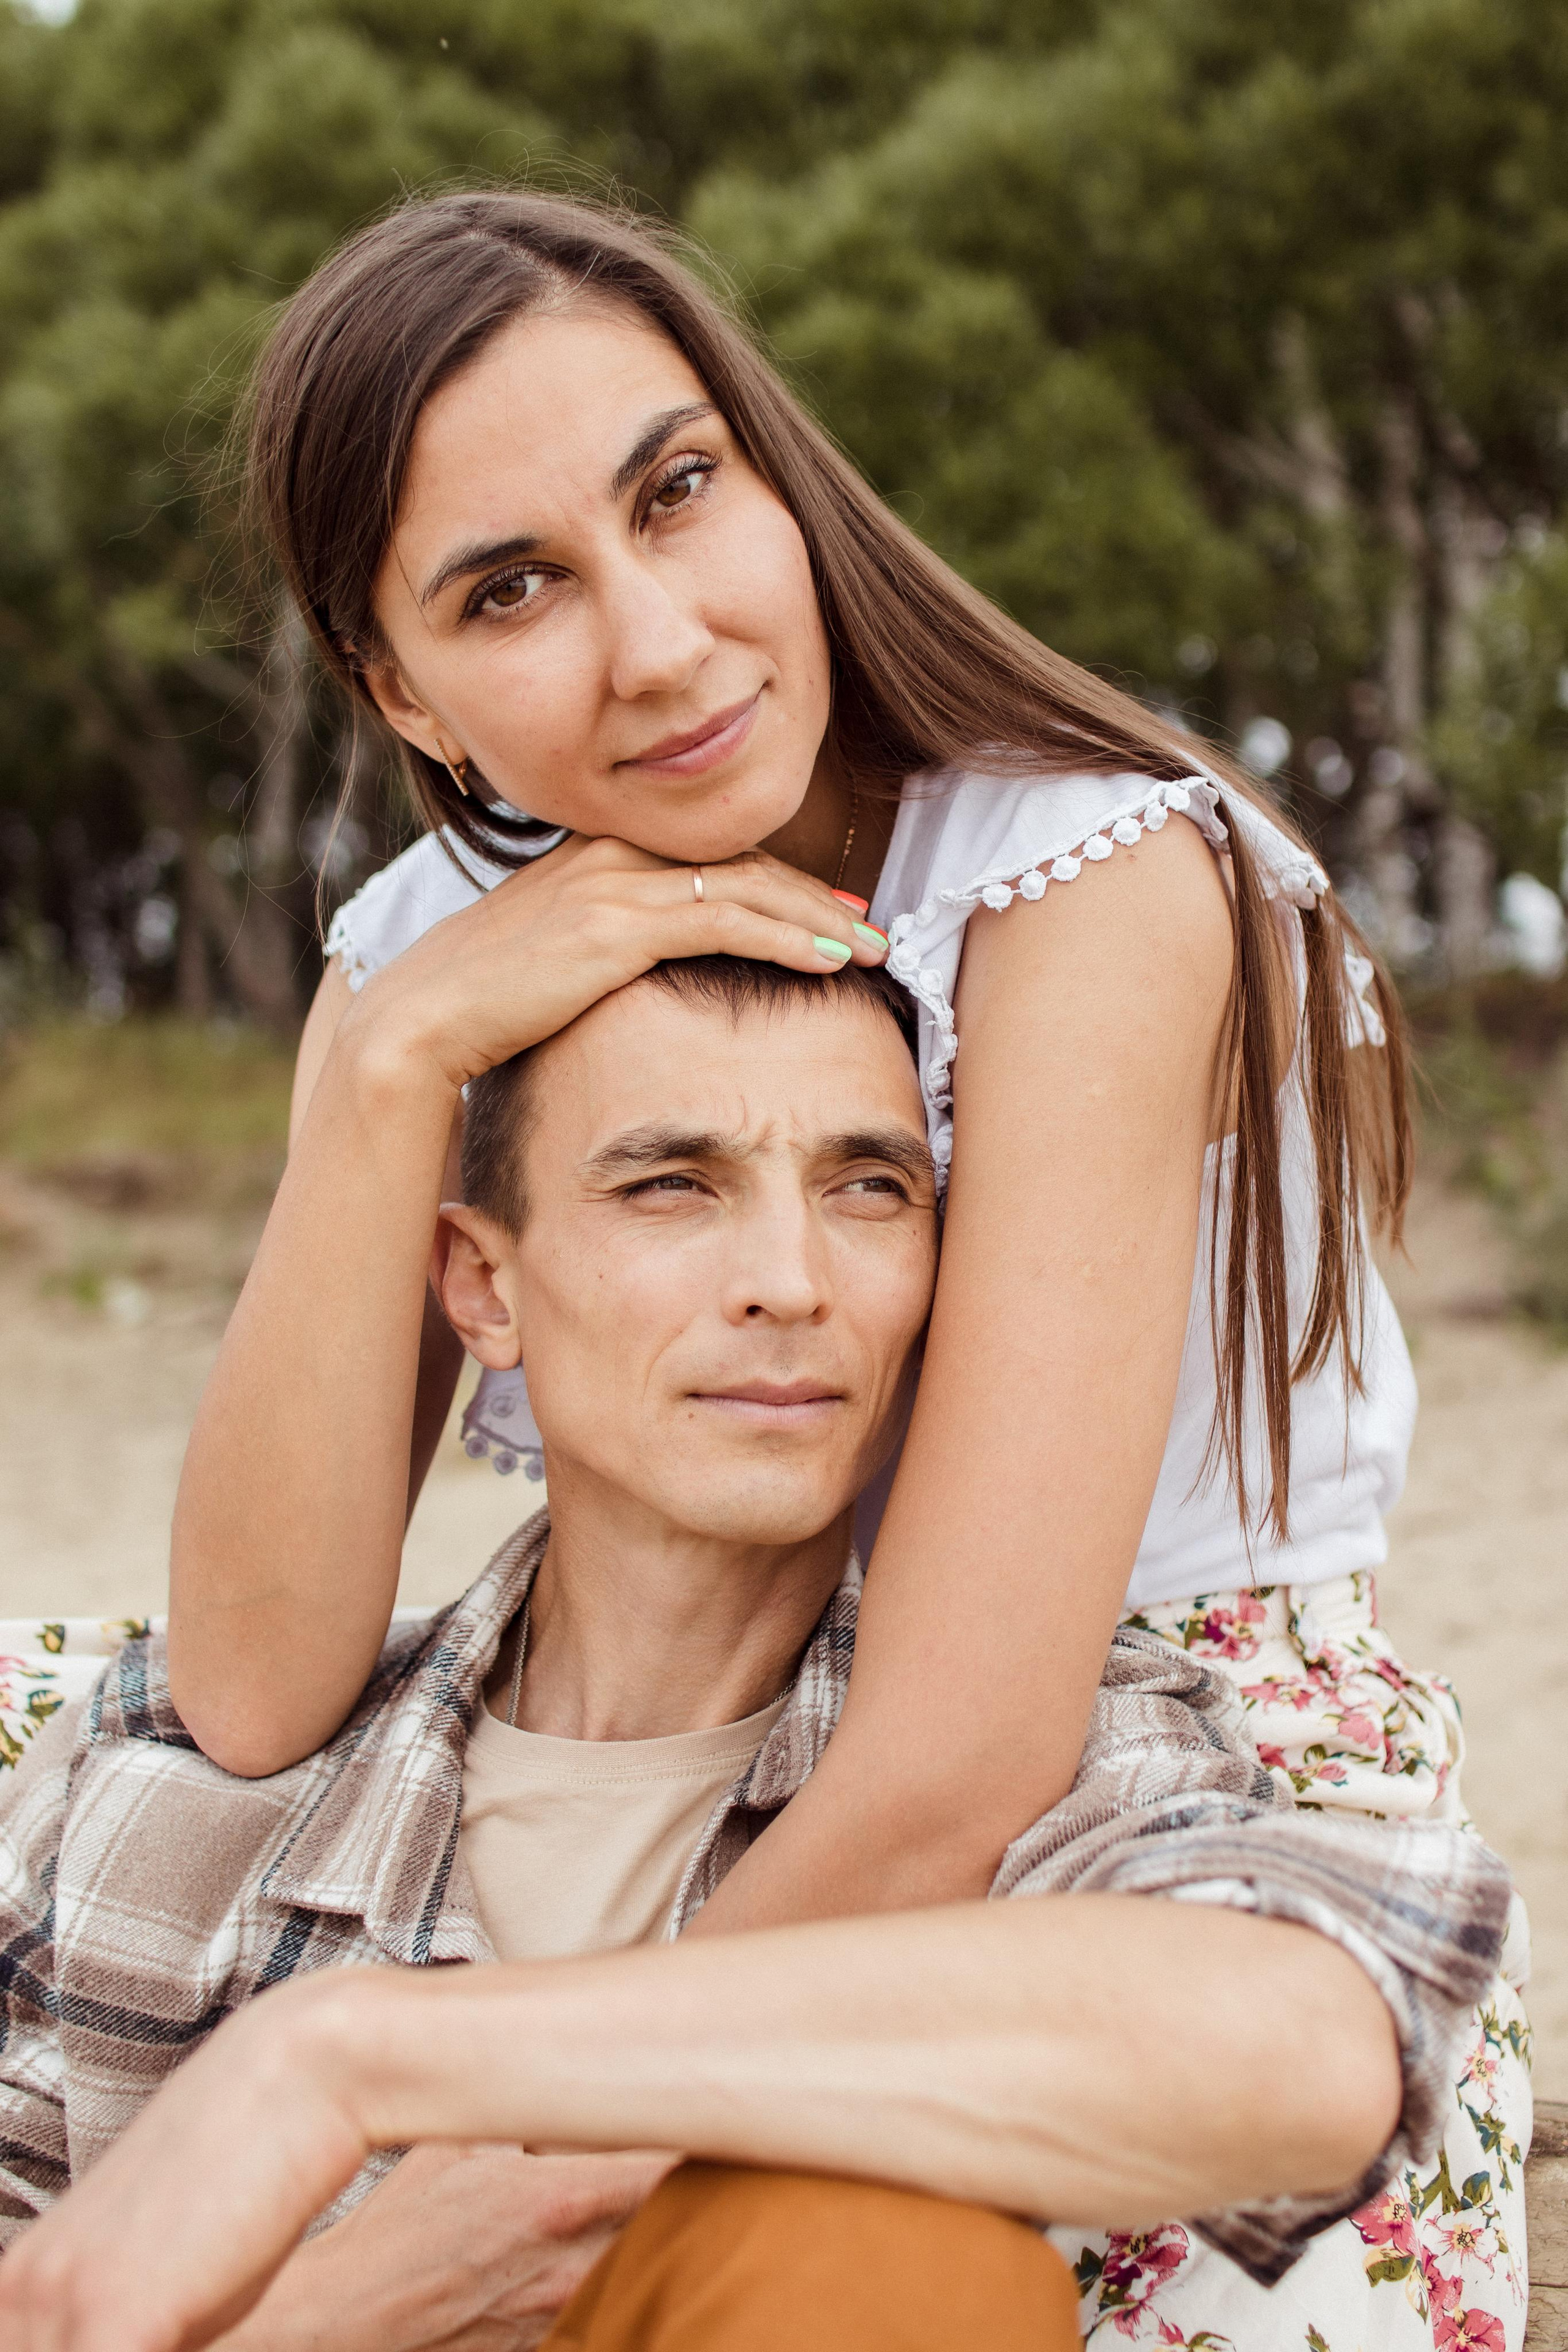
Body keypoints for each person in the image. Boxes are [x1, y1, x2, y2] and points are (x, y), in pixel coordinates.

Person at [162, 189, 1529, 2342]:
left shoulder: (1078, 882)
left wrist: (459, 2210)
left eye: (680, 492)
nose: (665, 643)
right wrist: (401, 1053)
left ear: (778, 473)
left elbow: (961, 1766)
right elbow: (250, 1681)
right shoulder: (429, 963)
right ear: (397, 686)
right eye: (509, 590)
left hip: (1116, 1850)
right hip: (679, 1762)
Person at [0, 956, 1508, 2352]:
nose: (790, 1280)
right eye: (669, 1185)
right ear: (483, 1288)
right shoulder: (166, 1795)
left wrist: (354, 2055)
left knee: (866, 2243)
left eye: (867, 1187)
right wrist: (339, 2310)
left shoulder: (1031, 1763)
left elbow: (1310, 2045)